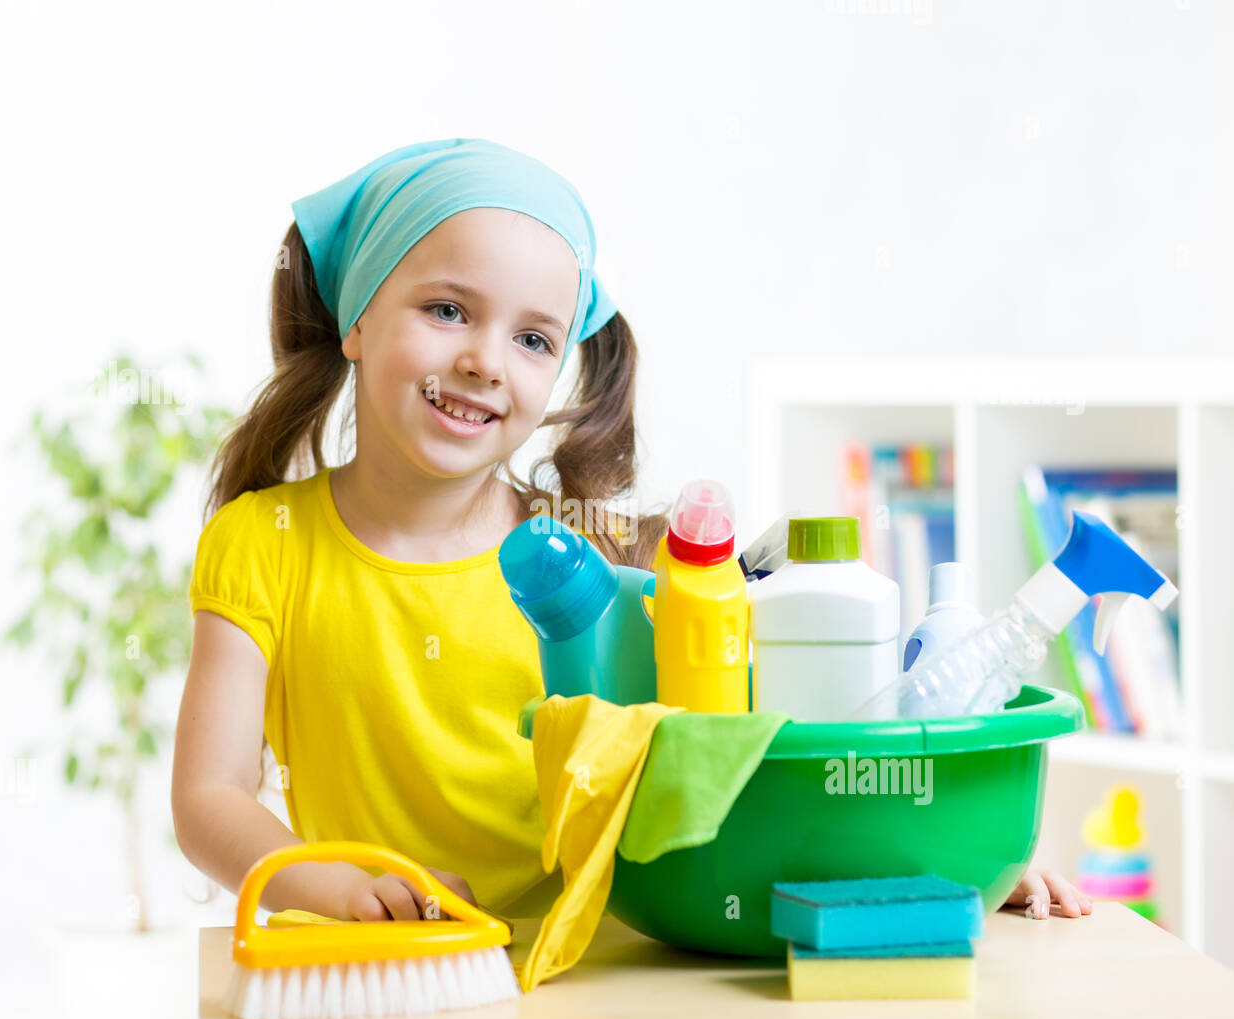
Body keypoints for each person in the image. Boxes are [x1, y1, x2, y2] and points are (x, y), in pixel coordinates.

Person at [171, 137, 1089, 929]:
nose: (486, 361)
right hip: (388, 976)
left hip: (607, 973)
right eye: (447, 309)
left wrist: (952, 868)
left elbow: (782, 756)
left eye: (535, 339)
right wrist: (328, 885)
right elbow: (210, 796)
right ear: (357, 319)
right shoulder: (264, 544)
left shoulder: (597, 558)